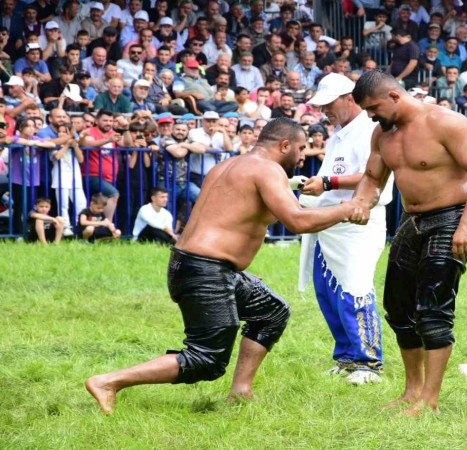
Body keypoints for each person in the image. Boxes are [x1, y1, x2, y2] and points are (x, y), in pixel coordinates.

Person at [85, 118, 366, 415]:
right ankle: (109, 382)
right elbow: (297, 221)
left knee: (271, 311)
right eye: (299, 149)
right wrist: (347, 208)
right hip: (206, 270)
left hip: (202, 266)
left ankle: (241, 391)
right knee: (206, 359)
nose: (301, 156)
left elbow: (247, 213)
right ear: (284, 145)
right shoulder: (267, 169)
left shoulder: (229, 166)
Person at [350, 70, 467, 415]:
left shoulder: (447, 123)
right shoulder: (381, 134)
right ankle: (412, 391)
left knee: (433, 311)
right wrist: (359, 203)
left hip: (451, 218)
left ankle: (430, 400)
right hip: (411, 222)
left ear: (394, 96)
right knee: (398, 309)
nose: (371, 115)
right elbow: (373, 178)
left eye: (373, 108)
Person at [297, 73, 394, 385]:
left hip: (358, 222)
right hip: (329, 222)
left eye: (329, 103)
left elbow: (376, 176)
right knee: (328, 292)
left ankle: (369, 361)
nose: (324, 110)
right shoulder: (338, 133)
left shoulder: (369, 130)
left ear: (349, 98)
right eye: (321, 104)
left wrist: (326, 182)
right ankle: (347, 357)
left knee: (355, 288)